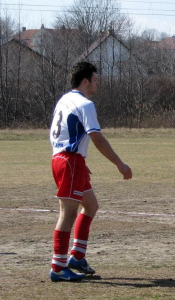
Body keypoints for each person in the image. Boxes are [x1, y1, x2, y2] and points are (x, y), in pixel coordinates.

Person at [48, 62, 132, 282]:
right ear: (85, 81)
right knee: (68, 214)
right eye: (95, 80)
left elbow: (61, 133)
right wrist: (119, 163)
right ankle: (57, 267)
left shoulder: (65, 99)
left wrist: (78, 160)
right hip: (69, 161)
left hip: (66, 159)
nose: (97, 84)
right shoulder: (85, 104)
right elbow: (97, 138)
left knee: (91, 205)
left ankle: (77, 257)